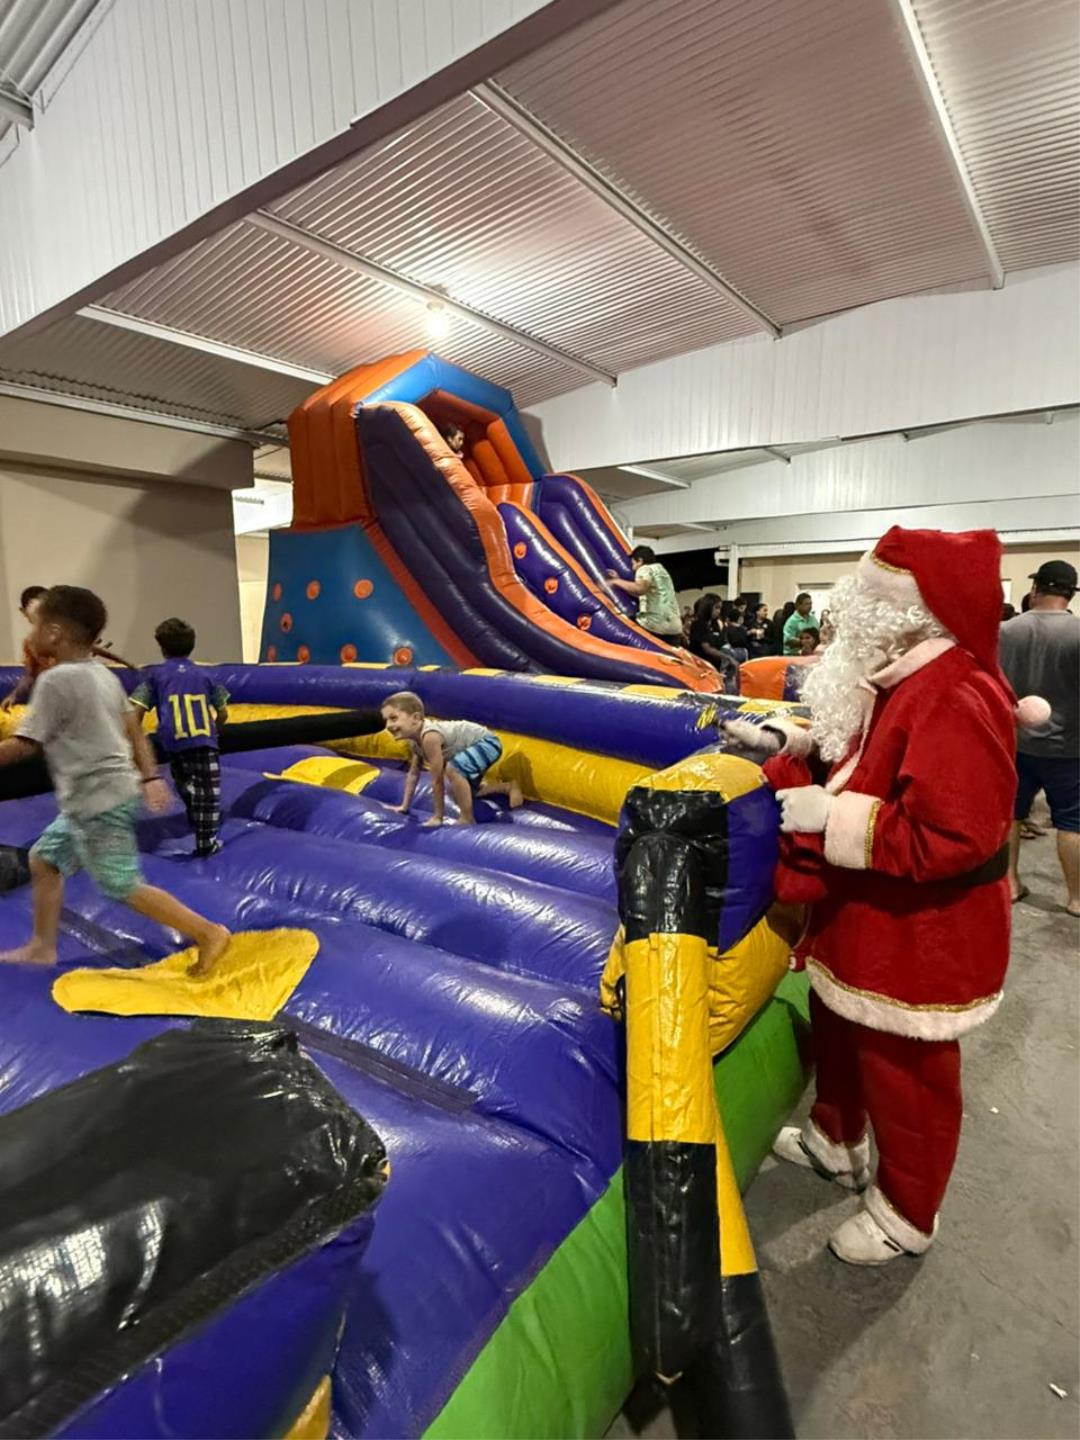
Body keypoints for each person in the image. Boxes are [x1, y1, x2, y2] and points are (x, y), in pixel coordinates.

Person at [726, 527, 1038, 1265]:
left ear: (909, 610)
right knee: (840, 1032)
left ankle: (907, 1212)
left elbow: (954, 837)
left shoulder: (955, 692)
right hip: (867, 914)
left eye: (866, 597)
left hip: (921, 933)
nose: (850, 609)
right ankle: (836, 1140)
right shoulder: (897, 671)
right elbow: (866, 759)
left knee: (908, 1077)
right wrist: (792, 746)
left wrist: (830, 818)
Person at [0, 586, 230, 973]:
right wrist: (149, 776)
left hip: (99, 802)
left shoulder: (58, 681)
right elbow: (134, 730)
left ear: (54, 633)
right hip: (96, 797)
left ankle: (208, 933)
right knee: (43, 860)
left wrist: (150, 776)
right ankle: (42, 946)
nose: (31, 634)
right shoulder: (102, 675)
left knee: (121, 884)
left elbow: (24, 745)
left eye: (36, 625)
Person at [1000, 560, 1079, 916]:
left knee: (1010, 816)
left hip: (1014, 743)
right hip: (1069, 748)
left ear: (1035, 590)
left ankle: (1010, 884)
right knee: (1072, 823)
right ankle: (1076, 898)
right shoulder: (1077, 634)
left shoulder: (1006, 631)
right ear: (1070, 594)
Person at [130, 618, 230, 858]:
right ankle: (206, 841)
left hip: (173, 741)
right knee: (209, 792)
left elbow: (136, 712)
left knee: (184, 782)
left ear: (162, 648)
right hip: (203, 741)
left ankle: (194, 811)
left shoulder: (155, 676)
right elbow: (223, 712)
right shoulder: (205, 675)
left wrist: (135, 737)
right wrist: (215, 728)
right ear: (192, 645)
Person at [380, 691, 522, 826]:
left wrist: (438, 817)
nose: (388, 726)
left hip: (487, 743)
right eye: (386, 720)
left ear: (416, 718)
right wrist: (404, 806)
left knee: (453, 769)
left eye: (393, 718)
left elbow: (437, 779)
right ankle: (507, 787)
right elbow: (413, 775)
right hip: (469, 749)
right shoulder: (415, 742)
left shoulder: (429, 737)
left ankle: (467, 818)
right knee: (464, 791)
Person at [1, 584, 136, 710]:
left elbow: (93, 648)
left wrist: (125, 663)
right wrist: (14, 695)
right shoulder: (33, 647)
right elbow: (30, 675)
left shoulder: (95, 675)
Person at [606, 546, 683, 645]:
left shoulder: (644, 569)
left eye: (633, 563)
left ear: (640, 561)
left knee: (620, 624)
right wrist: (620, 580)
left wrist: (615, 581)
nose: (632, 567)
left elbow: (640, 589)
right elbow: (643, 595)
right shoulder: (662, 571)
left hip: (655, 625)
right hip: (675, 629)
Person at [687, 595, 738, 690]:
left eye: (720, 608)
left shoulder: (715, 624)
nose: (718, 611)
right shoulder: (699, 624)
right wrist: (727, 657)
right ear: (708, 607)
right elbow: (707, 648)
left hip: (714, 665)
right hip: (700, 665)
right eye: (716, 608)